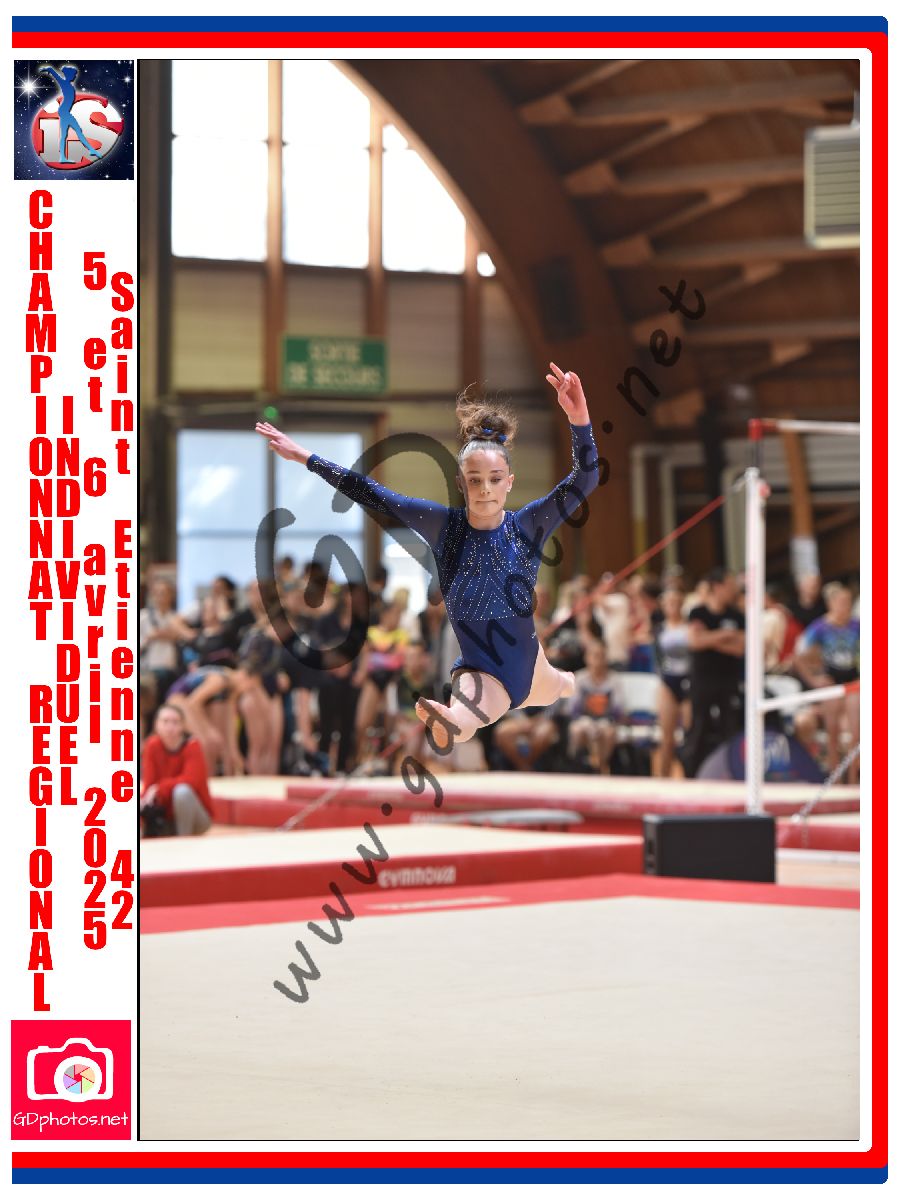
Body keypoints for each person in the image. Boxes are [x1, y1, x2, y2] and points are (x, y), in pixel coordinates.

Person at [255, 363, 601, 749]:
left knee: (562, 684)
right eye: (474, 481)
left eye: (494, 480)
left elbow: (585, 479)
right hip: (481, 673)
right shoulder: (444, 527)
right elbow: (371, 492)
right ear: (460, 484)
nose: (485, 489)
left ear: (509, 482)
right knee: (466, 713)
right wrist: (307, 458)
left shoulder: (529, 525)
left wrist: (580, 420)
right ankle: (448, 720)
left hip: (534, 668)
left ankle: (564, 682)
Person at [681, 568, 746, 777]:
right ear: (717, 587)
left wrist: (708, 638)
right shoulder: (697, 613)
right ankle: (691, 776)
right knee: (699, 727)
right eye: (729, 585)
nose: (734, 589)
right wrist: (725, 635)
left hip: (728, 680)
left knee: (730, 727)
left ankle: (731, 774)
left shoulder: (737, 615)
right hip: (702, 680)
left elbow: (740, 648)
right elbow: (694, 642)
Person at [793, 583, 860, 783]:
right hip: (831, 681)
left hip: (852, 680)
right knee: (833, 731)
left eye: (848, 602)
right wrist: (814, 679)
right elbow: (797, 656)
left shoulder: (857, 626)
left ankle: (853, 780)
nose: (845, 606)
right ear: (831, 603)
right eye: (841, 602)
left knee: (856, 732)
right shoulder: (820, 627)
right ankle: (835, 780)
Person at [140, 704, 213, 837]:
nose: (170, 727)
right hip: (166, 817)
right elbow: (149, 785)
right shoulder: (151, 746)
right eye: (165, 722)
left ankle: (183, 839)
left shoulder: (192, 746)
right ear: (156, 725)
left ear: (182, 726)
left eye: (175, 722)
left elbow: (191, 781)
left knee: (182, 792)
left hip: (196, 817)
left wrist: (159, 788)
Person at [565, 638, 620, 773]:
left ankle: (600, 767)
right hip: (582, 720)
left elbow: (618, 708)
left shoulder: (614, 680)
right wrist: (586, 721)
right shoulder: (579, 678)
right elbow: (572, 709)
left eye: (602, 656)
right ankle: (577, 767)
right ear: (587, 658)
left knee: (607, 732)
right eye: (595, 656)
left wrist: (605, 721)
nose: (598, 661)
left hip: (606, 721)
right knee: (578, 730)